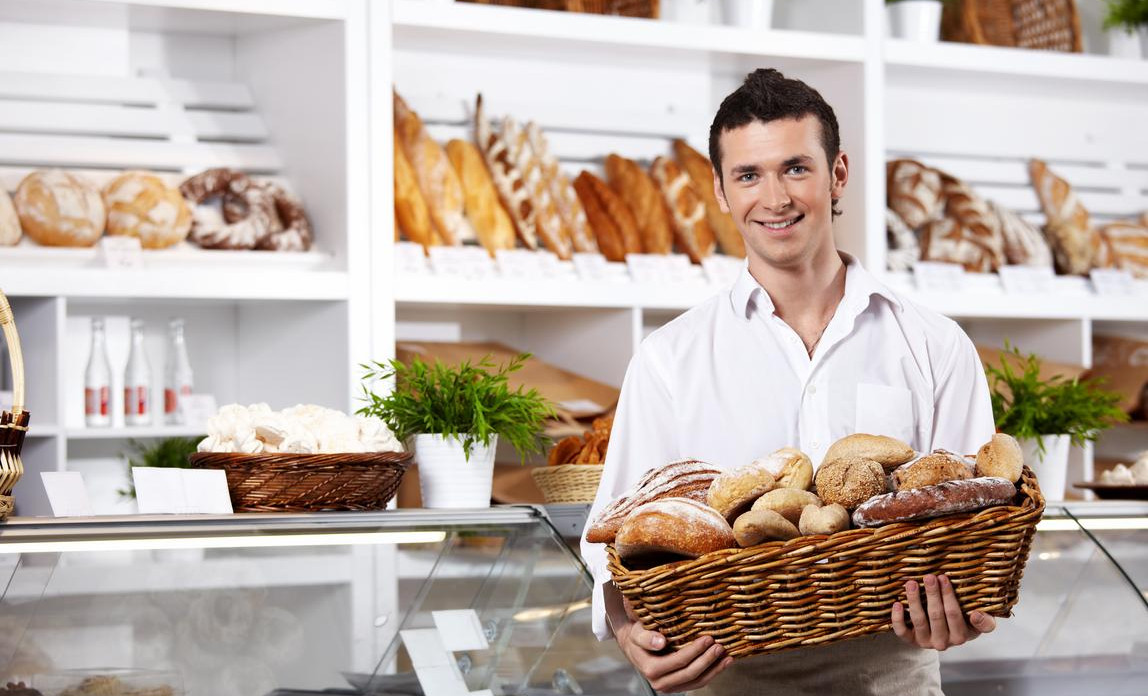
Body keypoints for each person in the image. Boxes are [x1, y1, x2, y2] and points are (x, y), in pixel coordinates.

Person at [579, 68, 998, 695]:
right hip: (723, 676)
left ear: (838, 175)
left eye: (796, 168)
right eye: (749, 175)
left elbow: (981, 513)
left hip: (890, 676)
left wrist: (966, 610)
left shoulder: (934, 344)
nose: (775, 198)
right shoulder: (670, 358)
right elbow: (614, 533)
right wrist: (625, 627)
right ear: (720, 190)